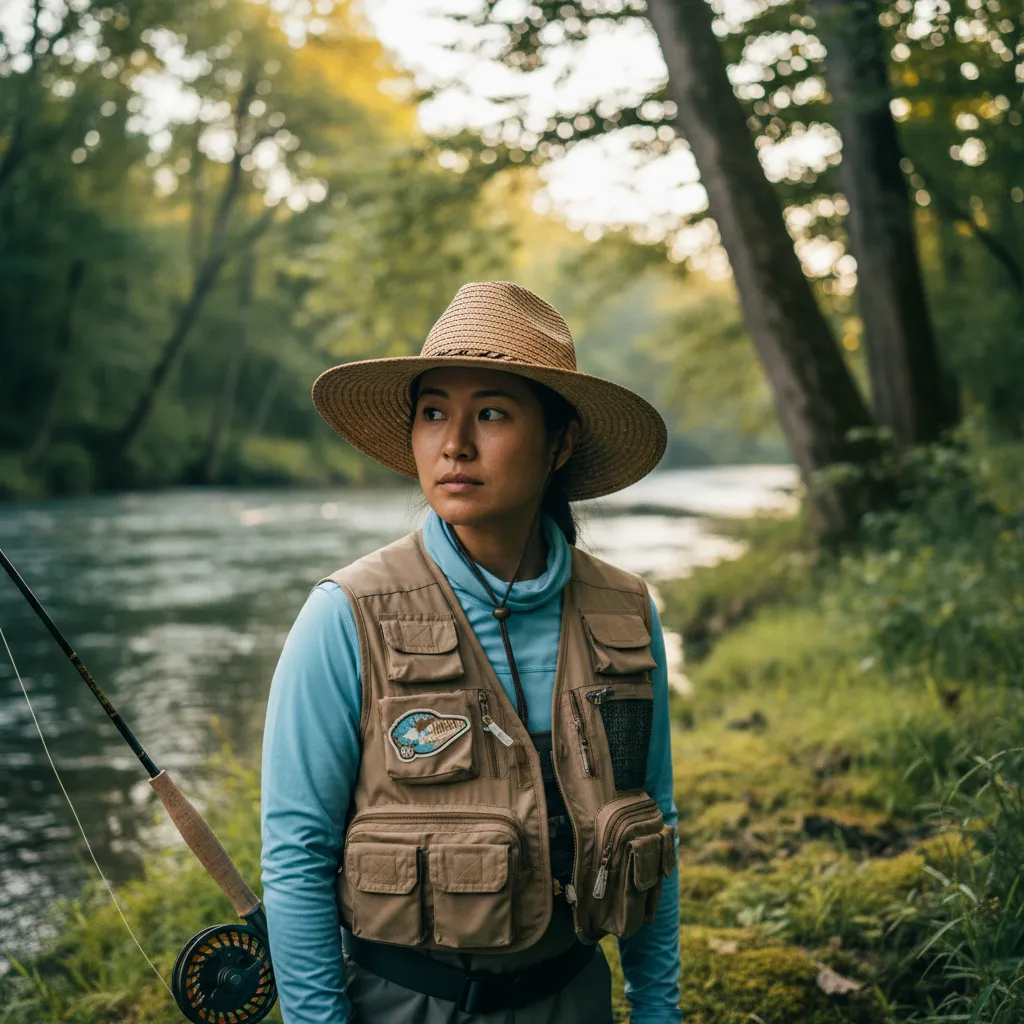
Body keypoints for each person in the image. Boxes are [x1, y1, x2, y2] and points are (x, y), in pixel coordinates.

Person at [260, 281, 682, 1023]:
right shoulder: (343, 616)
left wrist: (657, 1012)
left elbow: (654, 820)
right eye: (433, 414)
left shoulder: (627, 612)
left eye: (490, 413)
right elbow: (296, 858)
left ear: (561, 441)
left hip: (577, 1002)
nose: (454, 442)